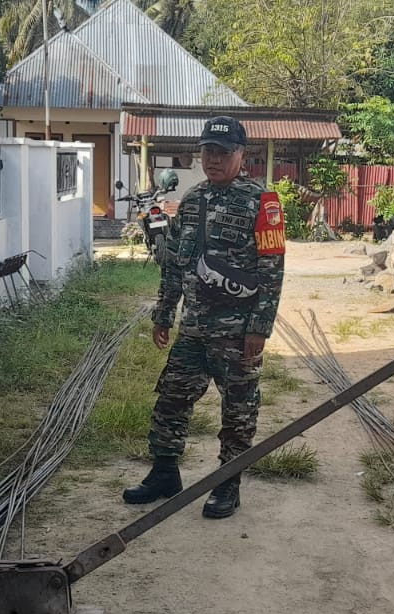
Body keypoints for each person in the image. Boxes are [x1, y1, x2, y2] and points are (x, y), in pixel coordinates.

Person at [120, 116, 287, 518]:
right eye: (208, 151)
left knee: (238, 410)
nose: (213, 159)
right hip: (193, 328)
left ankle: (227, 483)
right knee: (171, 400)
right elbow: (175, 262)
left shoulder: (263, 202)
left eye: (223, 152)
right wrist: (164, 313)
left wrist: (259, 327)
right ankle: (164, 472)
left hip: (236, 332)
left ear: (241, 155)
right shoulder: (193, 199)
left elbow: (272, 270)